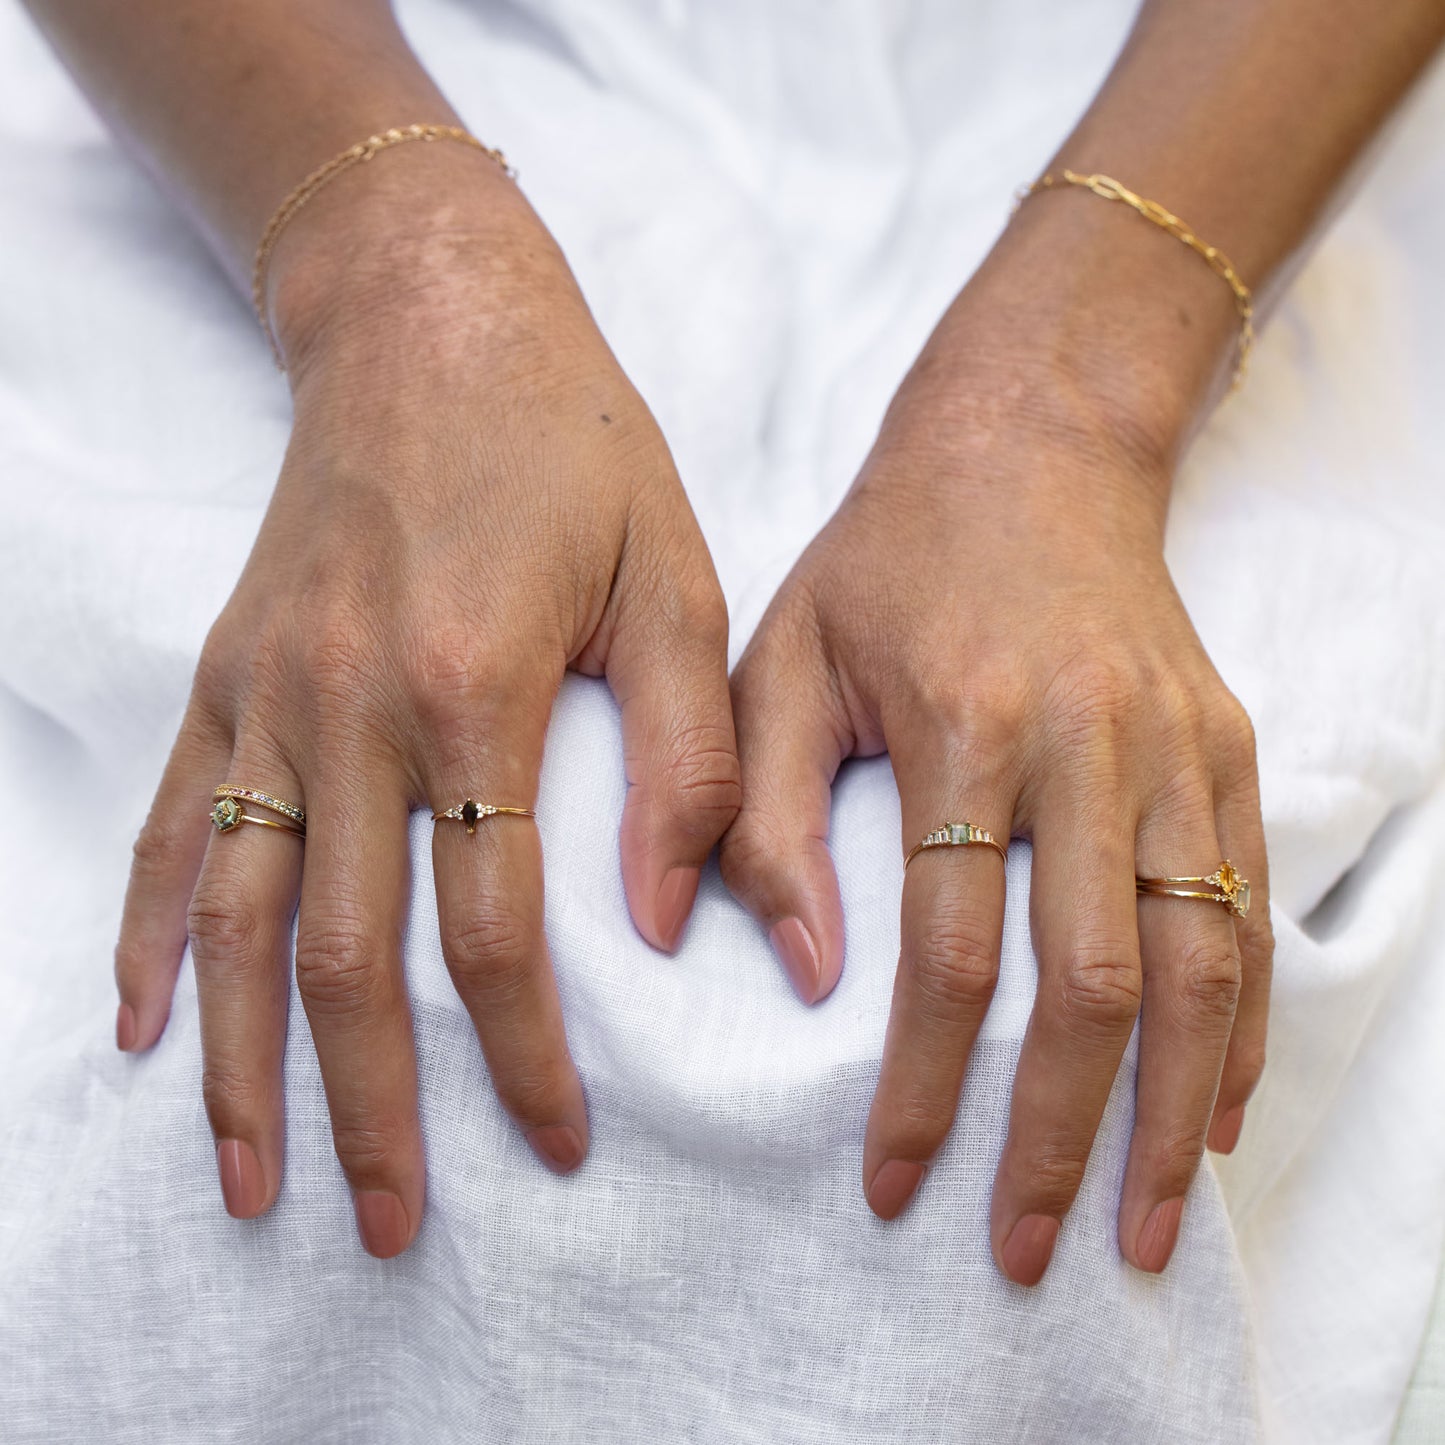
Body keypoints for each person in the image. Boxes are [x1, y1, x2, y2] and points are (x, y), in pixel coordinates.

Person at [3, 1, 1444, 1439]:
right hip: (314, 84)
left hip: (1204, 132)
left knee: (1009, 998)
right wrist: (397, 282)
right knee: (369, 956)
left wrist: (1064, 401)